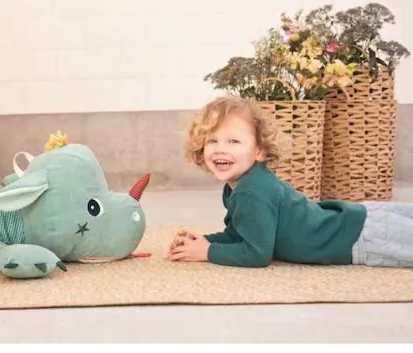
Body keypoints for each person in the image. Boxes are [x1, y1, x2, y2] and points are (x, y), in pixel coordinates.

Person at [166, 95, 413, 268]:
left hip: (362, 237)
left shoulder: (251, 192)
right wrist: (205, 241)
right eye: (213, 141)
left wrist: (207, 252)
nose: (221, 149)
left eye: (234, 141)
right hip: (358, 222)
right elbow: (240, 233)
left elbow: (256, 254)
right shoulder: (243, 184)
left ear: (260, 151)